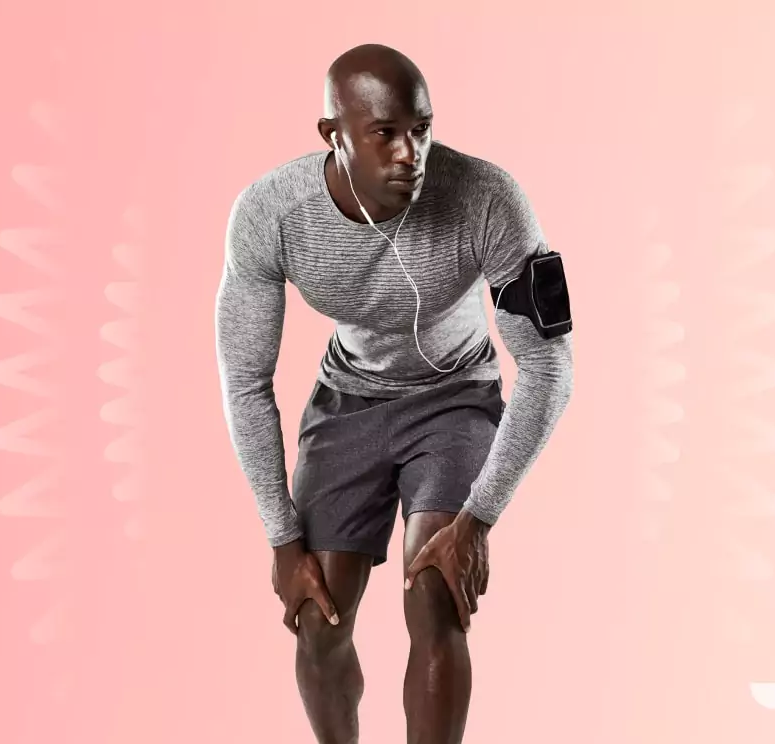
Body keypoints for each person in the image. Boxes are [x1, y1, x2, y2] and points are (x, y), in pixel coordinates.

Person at [215, 43, 574, 744]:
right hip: (347, 401)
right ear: (334, 136)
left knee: (435, 593)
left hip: (456, 396)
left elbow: (550, 366)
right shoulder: (271, 214)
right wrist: (282, 537)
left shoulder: (487, 198)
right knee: (319, 623)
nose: (410, 153)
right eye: (384, 134)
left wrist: (477, 521)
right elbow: (244, 379)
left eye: (421, 128)